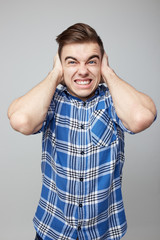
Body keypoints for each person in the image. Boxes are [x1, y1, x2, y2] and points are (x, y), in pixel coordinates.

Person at [8, 23, 156, 240]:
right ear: (61, 66)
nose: (83, 70)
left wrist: (108, 73)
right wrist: (54, 74)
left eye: (92, 61)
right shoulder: (50, 101)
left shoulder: (115, 101)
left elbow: (141, 117)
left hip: (103, 232)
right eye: (72, 62)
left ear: (102, 63)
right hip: (53, 229)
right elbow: (21, 121)